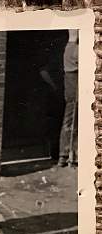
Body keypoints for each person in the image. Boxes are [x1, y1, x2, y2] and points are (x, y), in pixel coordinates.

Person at [58, 30, 78, 167]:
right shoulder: (74, 49)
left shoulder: (70, 48)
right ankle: (67, 155)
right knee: (72, 121)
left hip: (72, 94)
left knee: (70, 121)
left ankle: (65, 155)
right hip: (74, 94)